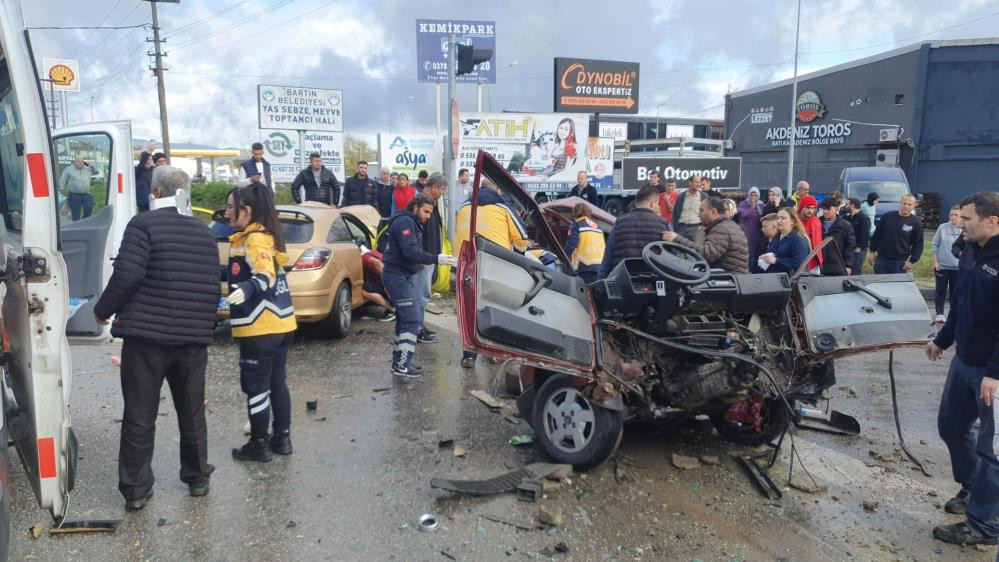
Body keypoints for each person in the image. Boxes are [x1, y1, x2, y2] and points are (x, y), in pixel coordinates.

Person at [93, 166, 218, 510]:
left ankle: (135, 490)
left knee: (139, 412)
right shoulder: (204, 233)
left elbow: (128, 273)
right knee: (192, 411)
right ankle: (197, 478)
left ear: (157, 193)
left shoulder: (143, 225)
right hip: (193, 340)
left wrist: (102, 310)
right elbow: (212, 285)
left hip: (147, 339)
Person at [925, 191, 999, 547]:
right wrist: (943, 339)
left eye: (967, 219)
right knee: (951, 426)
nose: (960, 223)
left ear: (992, 220)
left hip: (991, 372)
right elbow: (961, 305)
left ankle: (984, 526)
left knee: (992, 450)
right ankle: (971, 486)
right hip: (964, 361)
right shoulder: (970, 251)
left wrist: (995, 373)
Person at [224, 182, 297, 462]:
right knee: (278, 384)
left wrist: (247, 289)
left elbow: (264, 274)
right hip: (281, 324)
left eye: (232, 207)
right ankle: (282, 439)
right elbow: (236, 271)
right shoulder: (262, 236)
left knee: (256, 386)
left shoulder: (255, 240)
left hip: (260, 326)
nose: (228, 212)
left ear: (247, 210)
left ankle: (259, 443)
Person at [454, 180, 530, 369]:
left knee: (470, 309)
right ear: (496, 189)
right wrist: (519, 254)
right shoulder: (502, 207)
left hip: (466, 265)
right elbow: (522, 238)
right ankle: (494, 353)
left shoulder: (464, 207)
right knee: (494, 308)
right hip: (495, 265)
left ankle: (469, 356)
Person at [381, 194, 456, 378]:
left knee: (405, 319)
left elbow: (408, 251)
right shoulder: (406, 222)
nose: (428, 216)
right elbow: (409, 251)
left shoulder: (409, 222)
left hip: (400, 276)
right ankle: (402, 365)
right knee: (413, 320)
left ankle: (400, 363)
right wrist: (435, 258)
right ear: (415, 207)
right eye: (426, 211)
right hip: (397, 277)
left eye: (430, 213)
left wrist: (419, 263)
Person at [664, 197, 749, 274]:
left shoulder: (721, 229)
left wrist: (677, 239)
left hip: (726, 280)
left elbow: (706, 255)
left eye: (701, 210)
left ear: (713, 212)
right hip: (732, 278)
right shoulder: (728, 226)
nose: (698, 214)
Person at [600, 186, 671, 279]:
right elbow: (669, 257)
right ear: (653, 204)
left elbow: (608, 256)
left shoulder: (619, 222)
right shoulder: (663, 224)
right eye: (658, 203)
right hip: (652, 279)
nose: (659, 206)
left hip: (622, 278)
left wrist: (602, 280)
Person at [416, 173, 447, 344]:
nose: (442, 193)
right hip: (423, 259)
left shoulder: (430, 202)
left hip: (430, 257)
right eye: (442, 190)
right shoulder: (421, 203)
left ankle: (420, 325)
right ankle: (417, 329)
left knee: (424, 294)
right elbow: (417, 232)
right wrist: (421, 257)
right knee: (421, 295)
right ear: (434, 188)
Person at [869, 194, 923, 274]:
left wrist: (912, 261)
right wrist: (872, 251)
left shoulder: (916, 223)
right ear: (900, 203)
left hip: (900, 262)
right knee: (880, 285)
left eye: (909, 204)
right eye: (904, 203)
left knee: (896, 286)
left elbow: (918, 244)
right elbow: (877, 235)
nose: (906, 206)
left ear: (914, 206)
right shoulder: (887, 217)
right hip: (882, 259)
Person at [931, 205, 964, 323]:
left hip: (958, 268)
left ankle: (953, 314)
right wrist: (935, 261)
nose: (953, 217)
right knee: (940, 290)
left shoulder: (964, 229)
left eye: (956, 215)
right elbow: (934, 245)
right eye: (951, 215)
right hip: (942, 266)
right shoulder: (942, 227)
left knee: (955, 292)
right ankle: (939, 313)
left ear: (961, 216)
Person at [758, 207, 811, 274]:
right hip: (773, 279)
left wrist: (776, 261)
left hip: (789, 282)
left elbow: (799, 264)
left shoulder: (798, 240)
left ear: (792, 221)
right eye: (778, 218)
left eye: (783, 218)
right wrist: (765, 258)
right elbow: (774, 256)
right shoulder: (776, 238)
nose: (779, 221)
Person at [564, 202, 605, 283]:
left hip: (584, 267)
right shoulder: (598, 227)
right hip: (599, 267)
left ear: (574, 213)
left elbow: (570, 246)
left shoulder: (576, 225)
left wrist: (564, 261)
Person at [819, 198, 856, 276]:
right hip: (819, 266)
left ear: (836, 209)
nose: (825, 211)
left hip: (837, 267)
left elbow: (849, 247)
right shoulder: (817, 223)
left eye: (828, 209)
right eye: (823, 209)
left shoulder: (845, 225)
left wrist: (848, 265)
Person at [361, 248, 394, 321]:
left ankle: (392, 310)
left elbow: (377, 263)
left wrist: (387, 285)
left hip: (390, 278)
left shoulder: (364, 257)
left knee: (362, 291)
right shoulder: (373, 252)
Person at [60, 157, 95, 221]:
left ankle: (84, 222)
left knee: (89, 207)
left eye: (82, 162)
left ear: (84, 163)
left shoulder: (88, 169)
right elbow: (63, 179)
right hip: (74, 195)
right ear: (75, 162)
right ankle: (76, 226)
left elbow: (96, 172)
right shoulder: (69, 169)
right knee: (76, 213)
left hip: (87, 194)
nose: (80, 163)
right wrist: (62, 189)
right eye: (78, 162)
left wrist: (92, 166)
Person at [738, 187, 765, 263]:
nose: (753, 197)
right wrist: (752, 207)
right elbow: (743, 214)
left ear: (758, 196)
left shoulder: (762, 205)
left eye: (755, 195)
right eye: (751, 195)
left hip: (758, 235)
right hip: (746, 234)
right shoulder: (743, 204)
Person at [845, 198, 872, 274]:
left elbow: (865, 235)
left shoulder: (864, 219)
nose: (846, 206)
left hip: (858, 250)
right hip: (848, 249)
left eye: (848, 204)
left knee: (856, 270)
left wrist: (859, 247)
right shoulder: (847, 218)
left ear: (852, 205)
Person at [798, 195, 823, 272]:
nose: (811, 211)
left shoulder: (817, 221)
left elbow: (819, 240)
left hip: (814, 263)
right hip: (799, 262)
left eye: (813, 208)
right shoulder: (794, 221)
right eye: (808, 207)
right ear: (801, 207)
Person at [134, 142, 156, 212]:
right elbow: (141, 165)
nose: (148, 162)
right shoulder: (137, 170)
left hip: (155, 202)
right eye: (146, 160)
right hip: (143, 204)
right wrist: (149, 151)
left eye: (150, 159)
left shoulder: (155, 170)